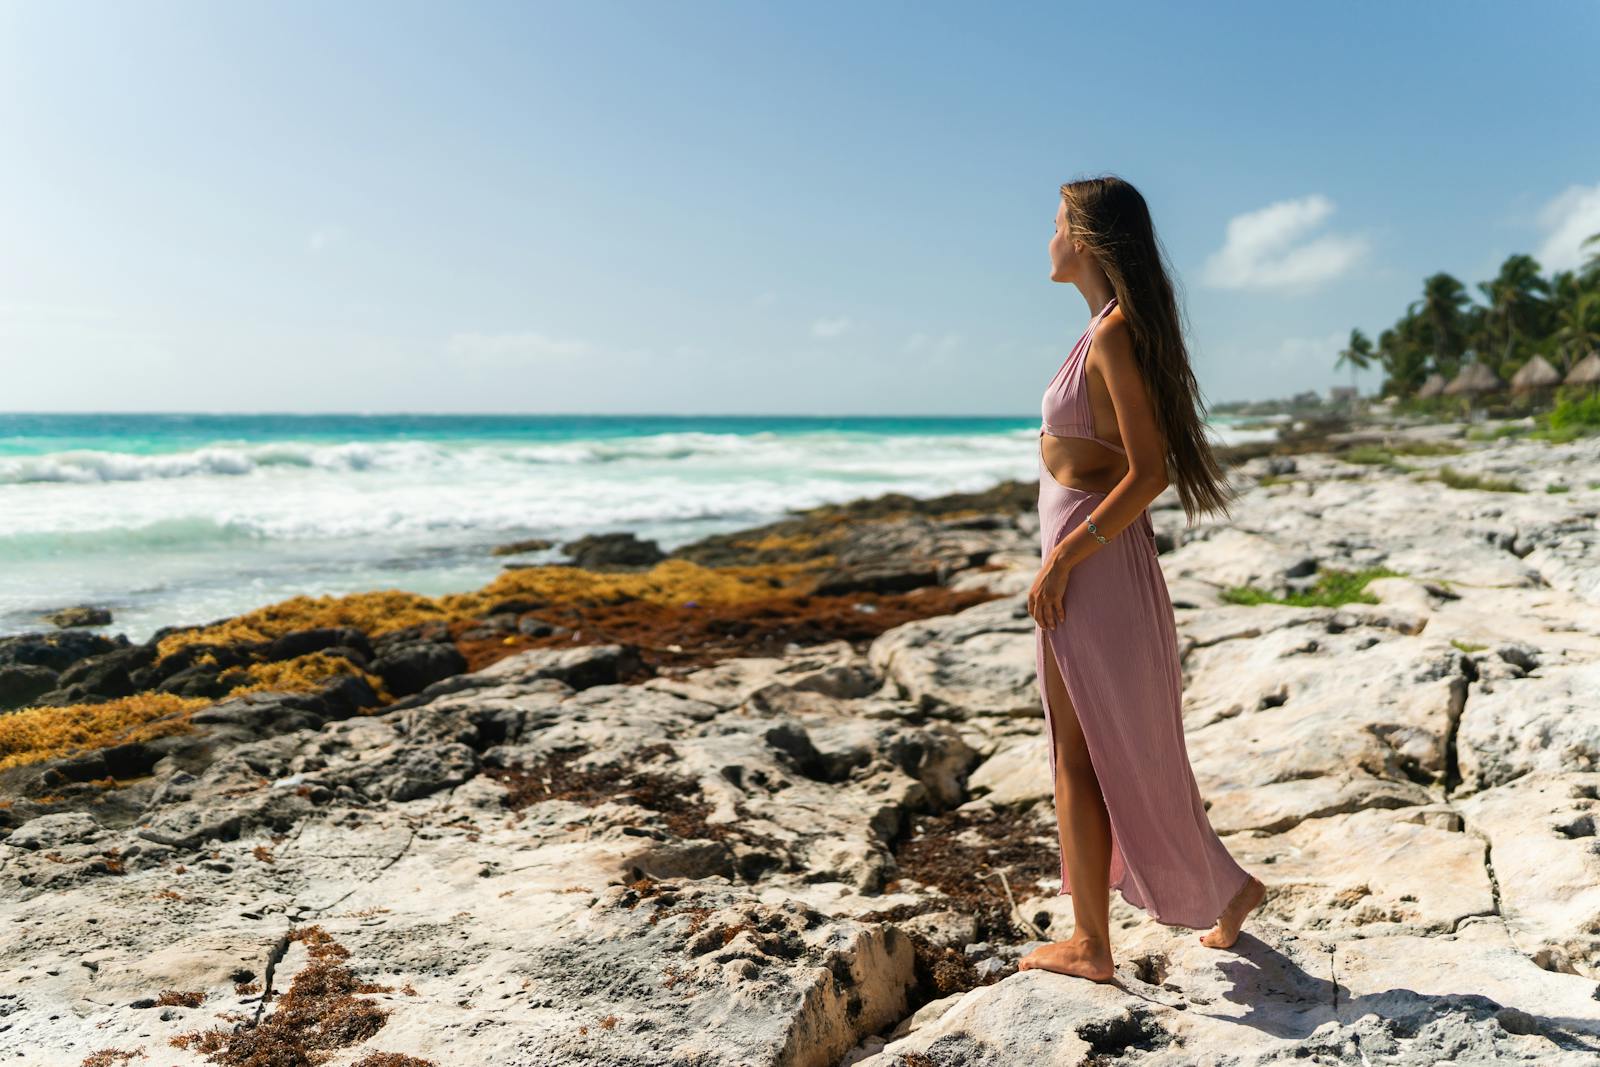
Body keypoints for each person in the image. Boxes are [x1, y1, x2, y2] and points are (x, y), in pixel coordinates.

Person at [1018, 175, 1266, 982]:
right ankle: (1227, 891)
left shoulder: (1116, 332)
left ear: (1086, 240)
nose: (1048, 238)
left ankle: (1092, 944)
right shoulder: (1099, 329)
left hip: (1094, 569)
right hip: (1086, 565)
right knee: (1093, 748)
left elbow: (1150, 471)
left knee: (1092, 752)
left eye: (1057, 223)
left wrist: (1064, 556)